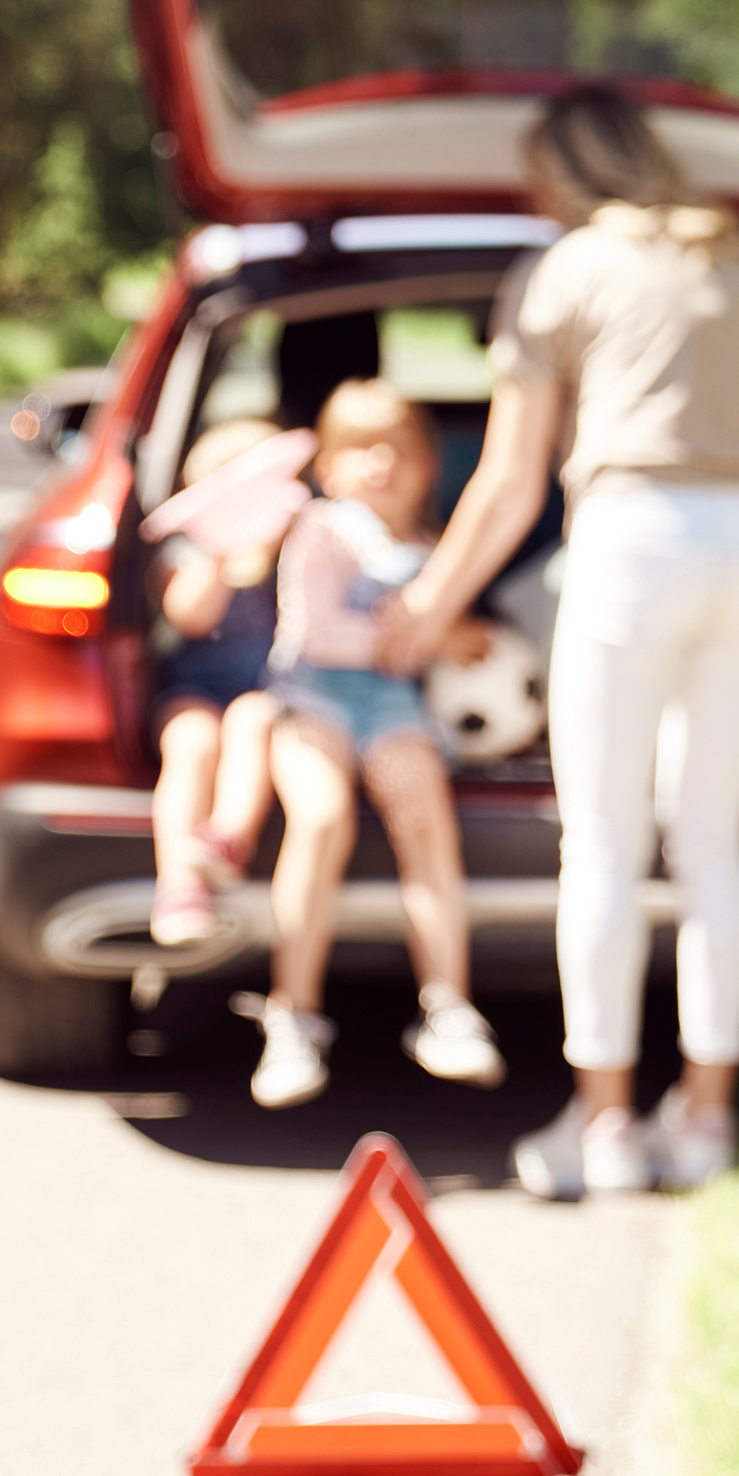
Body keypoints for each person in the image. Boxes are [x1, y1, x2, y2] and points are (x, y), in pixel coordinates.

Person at [384, 86, 739, 1199]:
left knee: (607, 843)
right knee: (713, 840)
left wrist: (428, 603)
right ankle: (705, 1123)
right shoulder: (732, 258)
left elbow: (513, 479)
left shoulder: (565, 269)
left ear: (566, 173)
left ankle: (607, 1127)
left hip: (640, 537)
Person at [239, 378, 507, 1110]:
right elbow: (316, 630)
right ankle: (292, 1014)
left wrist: (449, 638)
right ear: (328, 467)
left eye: (398, 449)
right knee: (319, 816)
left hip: (393, 706)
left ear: (429, 466)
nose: (380, 464)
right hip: (309, 698)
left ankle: (447, 1009)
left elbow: (457, 636)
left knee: (424, 816)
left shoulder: (432, 548)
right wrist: (415, 641)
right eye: (360, 450)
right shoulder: (321, 530)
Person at [146, 419, 288, 947]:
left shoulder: (296, 541)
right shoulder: (187, 550)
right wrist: (221, 550)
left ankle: (227, 840)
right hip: (194, 687)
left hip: (267, 687)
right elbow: (190, 617)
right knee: (191, 743)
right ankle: (179, 885)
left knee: (253, 722)